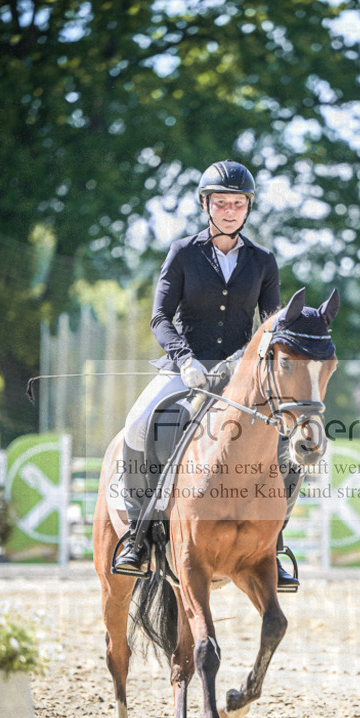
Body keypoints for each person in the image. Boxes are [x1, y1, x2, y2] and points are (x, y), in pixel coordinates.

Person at [113, 159, 299, 589]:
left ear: (247, 209)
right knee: (138, 425)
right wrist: (183, 358)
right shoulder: (183, 252)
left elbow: (269, 324)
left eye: (238, 203)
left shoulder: (263, 261)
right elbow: (159, 316)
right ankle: (138, 534)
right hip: (188, 367)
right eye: (221, 203)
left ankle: (275, 543)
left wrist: (246, 362)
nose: (230, 210)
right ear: (206, 205)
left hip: (239, 375)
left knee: (287, 442)